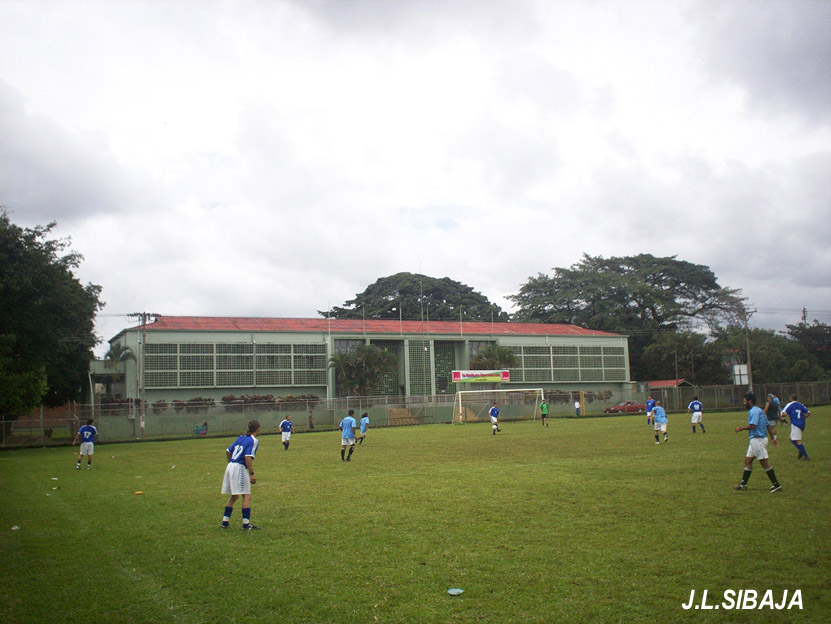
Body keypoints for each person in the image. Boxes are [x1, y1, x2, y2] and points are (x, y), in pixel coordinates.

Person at [734, 392, 781, 492]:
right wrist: (772, 438)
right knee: (748, 461)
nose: (743, 403)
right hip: (755, 440)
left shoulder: (754, 411)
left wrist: (741, 428)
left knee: (764, 462)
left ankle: (776, 485)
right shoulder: (759, 410)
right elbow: (768, 425)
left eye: (744, 401)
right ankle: (743, 484)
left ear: (750, 401)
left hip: (758, 439)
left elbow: (753, 425)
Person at [220, 419, 261, 530]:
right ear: (258, 429)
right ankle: (246, 524)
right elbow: (248, 457)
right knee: (246, 495)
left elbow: (228, 451)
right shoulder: (253, 440)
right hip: (239, 467)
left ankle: (225, 523)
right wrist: (252, 473)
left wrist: (231, 463)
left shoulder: (241, 437)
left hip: (230, 466)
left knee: (234, 495)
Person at [782, 394, 811, 461]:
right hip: (802, 424)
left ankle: (806, 456)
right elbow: (809, 412)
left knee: (798, 441)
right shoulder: (800, 405)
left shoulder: (790, 404)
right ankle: (800, 449)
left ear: (791, 398)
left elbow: (783, 414)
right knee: (790, 438)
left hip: (795, 424)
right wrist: (803, 418)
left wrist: (784, 414)